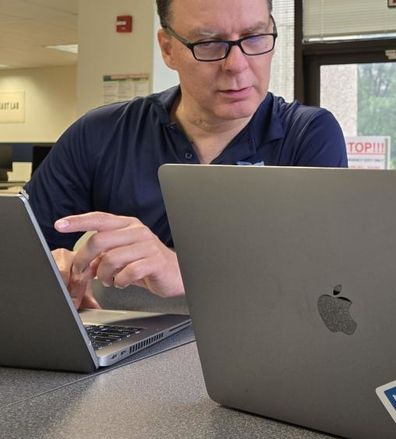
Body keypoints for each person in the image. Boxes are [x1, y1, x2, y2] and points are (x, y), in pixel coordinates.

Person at [23, 0, 347, 309]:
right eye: (208, 43)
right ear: (167, 49)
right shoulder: (100, 133)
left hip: (258, 352)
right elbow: (18, 252)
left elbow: (325, 285)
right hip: (126, 355)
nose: (236, 65)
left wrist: (183, 271)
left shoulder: (308, 135)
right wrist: (50, 268)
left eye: (254, 37)